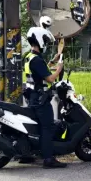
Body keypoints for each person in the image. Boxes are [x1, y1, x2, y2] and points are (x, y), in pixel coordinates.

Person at [23, 26, 67, 169]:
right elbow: (49, 78)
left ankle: (28, 154)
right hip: (40, 100)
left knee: (35, 127)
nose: (46, 45)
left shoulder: (29, 57)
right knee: (47, 127)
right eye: (46, 42)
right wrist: (59, 68)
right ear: (40, 40)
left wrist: (53, 62)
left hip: (31, 97)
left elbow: (41, 72)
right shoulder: (37, 60)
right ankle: (48, 159)